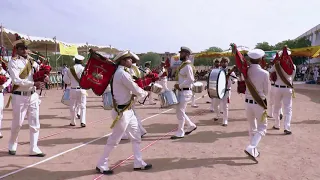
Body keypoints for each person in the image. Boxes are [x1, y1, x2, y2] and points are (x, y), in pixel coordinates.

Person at [96, 50, 152, 174]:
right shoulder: (122, 73)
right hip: (122, 112)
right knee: (114, 139)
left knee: (136, 136)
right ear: (122, 61)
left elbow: (131, 89)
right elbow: (134, 88)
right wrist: (145, 92)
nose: (131, 61)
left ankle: (138, 162)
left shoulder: (123, 72)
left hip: (128, 110)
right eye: (129, 59)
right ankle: (101, 163)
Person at [7, 39, 48, 157]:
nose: (25, 50)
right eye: (22, 48)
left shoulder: (32, 62)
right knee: (18, 123)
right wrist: (33, 83)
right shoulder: (13, 62)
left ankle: (34, 148)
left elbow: (39, 73)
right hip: (19, 96)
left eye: (26, 48)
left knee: (35, 123)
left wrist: (44, 77)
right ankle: (12, 143)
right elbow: (16, 80)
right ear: (17, 50)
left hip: (33, 95)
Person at [243, 49, 270, 161]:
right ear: (260, 59)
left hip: (247, 102)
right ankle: (252, 147)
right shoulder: (265, 73)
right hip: (259, 103)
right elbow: (266, 92)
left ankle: (253, 150)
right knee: (263, 127)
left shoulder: (245, 71)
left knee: (252, 127)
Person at [171, 46, 197, 139]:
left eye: (181, 53)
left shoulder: (188, 66)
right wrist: (176, 86)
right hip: (181, 91)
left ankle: (180, 132)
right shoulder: (183, 65)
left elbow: (191, 79)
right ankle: (191, 125)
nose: (180, 54)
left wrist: (180, 86)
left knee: (180, 112)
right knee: (180, 111)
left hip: (185, 92)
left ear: (186, 54)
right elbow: (183, 79)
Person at [269, 49, 296, 135]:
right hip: (288, 88)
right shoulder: (293, 66)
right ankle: (287, 127)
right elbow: (292, 78)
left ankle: (277, 125)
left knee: (277, 107)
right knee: (288, 109)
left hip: (277, 88)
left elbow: (270, 72)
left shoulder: (277, 65)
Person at [121, 52, 147, 140]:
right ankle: (141, 130)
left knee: (127, 114)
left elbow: (132, 81)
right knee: (132, 113)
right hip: (134, 92)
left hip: (132, 93)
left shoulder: (131, 69)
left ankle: (135, 132)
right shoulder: (135, 68)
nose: (130, 60)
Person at [63, 55, 87, 127]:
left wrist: (70, 82)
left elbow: (65, 80)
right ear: (81, 61)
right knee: (82, 106)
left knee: (72, 106)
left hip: (72, 89)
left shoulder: (69, 69)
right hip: (82, 89)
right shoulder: (84, 69)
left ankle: (73, 121)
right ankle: (82, 121)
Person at [219, 57, 237, 126]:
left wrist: (234, 82)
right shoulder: (218, 71)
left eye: (225, 62)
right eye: (223, 62)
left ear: (227, 63)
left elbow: (235, 79)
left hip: (227, 90)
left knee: (225, 105)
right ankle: (218, 114)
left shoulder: (230, 71)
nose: (224, 63)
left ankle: (225, 120)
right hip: (219, 90)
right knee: (216, 104)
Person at [0, 64, 12, 138]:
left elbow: (10, 78)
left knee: (0, 112)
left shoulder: (1, 70)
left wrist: (4, 86)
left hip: (0, 93)